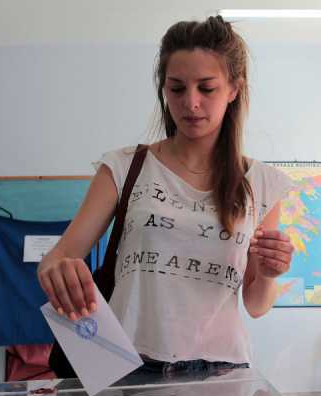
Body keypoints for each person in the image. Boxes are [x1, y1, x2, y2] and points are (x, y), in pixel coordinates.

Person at [37, 16, 294, 373]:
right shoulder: (123, 167)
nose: (191, 102)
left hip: (222, 369)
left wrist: (267, 273)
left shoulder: (263, 183)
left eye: (207, 88)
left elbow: (256, 304)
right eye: (177, 88)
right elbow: (58, 257)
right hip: (129, 365)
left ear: (234, 90)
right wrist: (56, 270)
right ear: (164, 90)